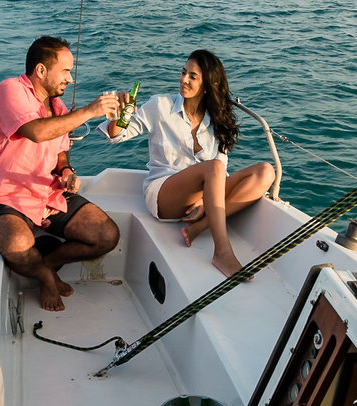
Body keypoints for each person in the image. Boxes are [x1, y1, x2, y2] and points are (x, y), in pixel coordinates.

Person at [97, 50, 275, 277]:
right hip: (163, 194)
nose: (183, 80)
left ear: (208, 84)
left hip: (200, 195)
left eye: (193, 76)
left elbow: (221, 166)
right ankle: (222, 252)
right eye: (183, 73)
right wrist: (119, 116)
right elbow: (117, 136)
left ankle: (200, 226)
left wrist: (203, 199)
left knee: (266, 172)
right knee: (215, 168)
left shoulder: (216, 118)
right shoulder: (160, 105)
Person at [0, 36, 122, 312]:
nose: (70, 78)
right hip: (7, 196)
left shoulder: (59, 108)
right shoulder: (10, 90)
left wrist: (66, 170)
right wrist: (90, 111)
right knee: (17, 243)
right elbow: (35, 131)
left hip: (47, 193)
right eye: (66, 71)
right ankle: (45, 276)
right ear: (41, 70)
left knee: (107, 235)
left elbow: (59, 152)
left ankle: (48, 262)